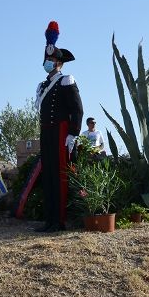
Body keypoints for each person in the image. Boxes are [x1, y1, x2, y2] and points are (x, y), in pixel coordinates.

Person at [34, 21, 84, 232]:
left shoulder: (66, 80)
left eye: (51, 59)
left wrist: (73, 134)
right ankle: (50, 219)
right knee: (49, 176)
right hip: (46, 132)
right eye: (47, 59)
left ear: (59, 63)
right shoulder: (43, 85)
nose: (48, 62)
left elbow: (78, 109)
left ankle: (60, 220)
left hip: (62, 132)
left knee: (60, 175)